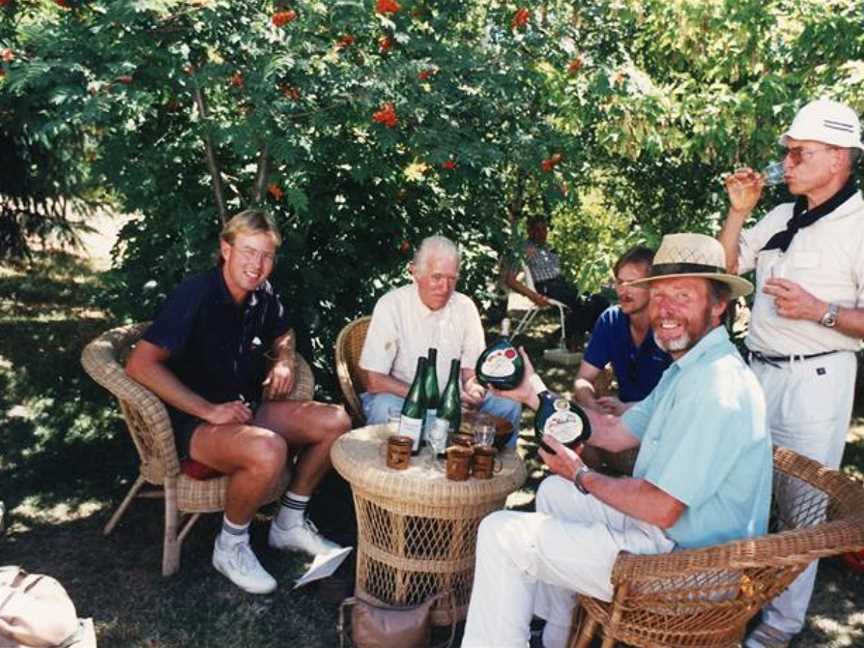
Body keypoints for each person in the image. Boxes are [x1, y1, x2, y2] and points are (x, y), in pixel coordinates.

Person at [461, 233, 772, 648]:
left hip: (690, 568)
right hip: (670, 535)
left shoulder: (715, 386)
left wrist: (583, 475)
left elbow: (661, 506)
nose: (665, 310)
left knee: (501, 533)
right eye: (658, 296)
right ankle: (555, 638)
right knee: (553, 491)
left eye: (682, 295)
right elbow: (610, 432)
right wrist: (533, 392)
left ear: (719, 306)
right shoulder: (690, 369)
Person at [126, 209, 351, 595]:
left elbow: (284, 331)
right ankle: (229, 546)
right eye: (248, 251)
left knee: (336, 421)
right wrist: (207, 410)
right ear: (225, 249)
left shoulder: (260, 294)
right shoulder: (195, 295)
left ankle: (288, 523)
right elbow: (139, 365)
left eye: (266, 255)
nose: (257, 264)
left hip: (244, 409)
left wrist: (282, 359)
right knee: (268, 449)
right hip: (194, 423)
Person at [718, 98, 864, 648]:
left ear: (837, 159)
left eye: (799, 152)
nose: (787, 162)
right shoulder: (782, 216)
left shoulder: (860, 224)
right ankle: (728, 609)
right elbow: (726, 268)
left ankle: (778, 630)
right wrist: (738, 211)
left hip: (816, 382)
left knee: (802, 512)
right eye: (786, 152)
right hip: (758, 375)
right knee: (742, 495)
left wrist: (819, 310)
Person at [359, 235, 521, 437]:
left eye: (451, 279)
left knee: (509, 406)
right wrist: (430, 400)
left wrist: (474, 391)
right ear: (416, 273)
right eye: (436, 277)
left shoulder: (465, 307)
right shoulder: (392, 306)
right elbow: (374, 381)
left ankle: (492, 466)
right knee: (385, 408)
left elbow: (470, 373)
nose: (445, 288)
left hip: (456, 400)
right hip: (403, 397)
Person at [573, 246, 671, 415]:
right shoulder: (611, 320)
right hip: (624, 423)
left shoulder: (672, 328)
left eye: (633, 283)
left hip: (665, 425)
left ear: (654, 287)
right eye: (619, 282)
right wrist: (593, 404)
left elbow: (683, 401)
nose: (622, 290)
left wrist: (629, 410)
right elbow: (583, 379)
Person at [503, 217, 609, 350]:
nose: (541, 233)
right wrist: (534, 296)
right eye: (537, 229)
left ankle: (565, 336)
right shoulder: (524, 249)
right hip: (546, 287)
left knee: (600, 301)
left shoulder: (548, 248)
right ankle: (574, 339)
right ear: (529, 231)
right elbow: (510, 280)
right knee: (584, 304)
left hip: (561, 284)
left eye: (544, 229)